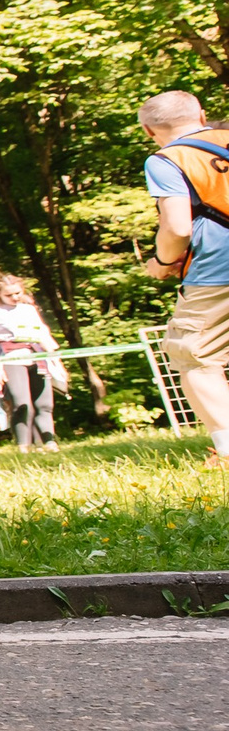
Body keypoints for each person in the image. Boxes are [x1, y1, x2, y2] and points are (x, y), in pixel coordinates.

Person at [140, 88, 229, 465]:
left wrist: (161, 260)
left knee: (193, 355)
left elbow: (177, 226)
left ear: (148, 130)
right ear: (202, 114)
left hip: (217, 270)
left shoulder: (167, 159)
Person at [0, 272, 61, 454]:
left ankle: (48, 443)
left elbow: (43, 334)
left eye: (17, 293)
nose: (15, 297)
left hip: (37, 356)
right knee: (22, 403)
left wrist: (56, 360)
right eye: (9, 295)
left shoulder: (28, 309)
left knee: (44, 404)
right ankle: (24, 445)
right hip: (11, 357)